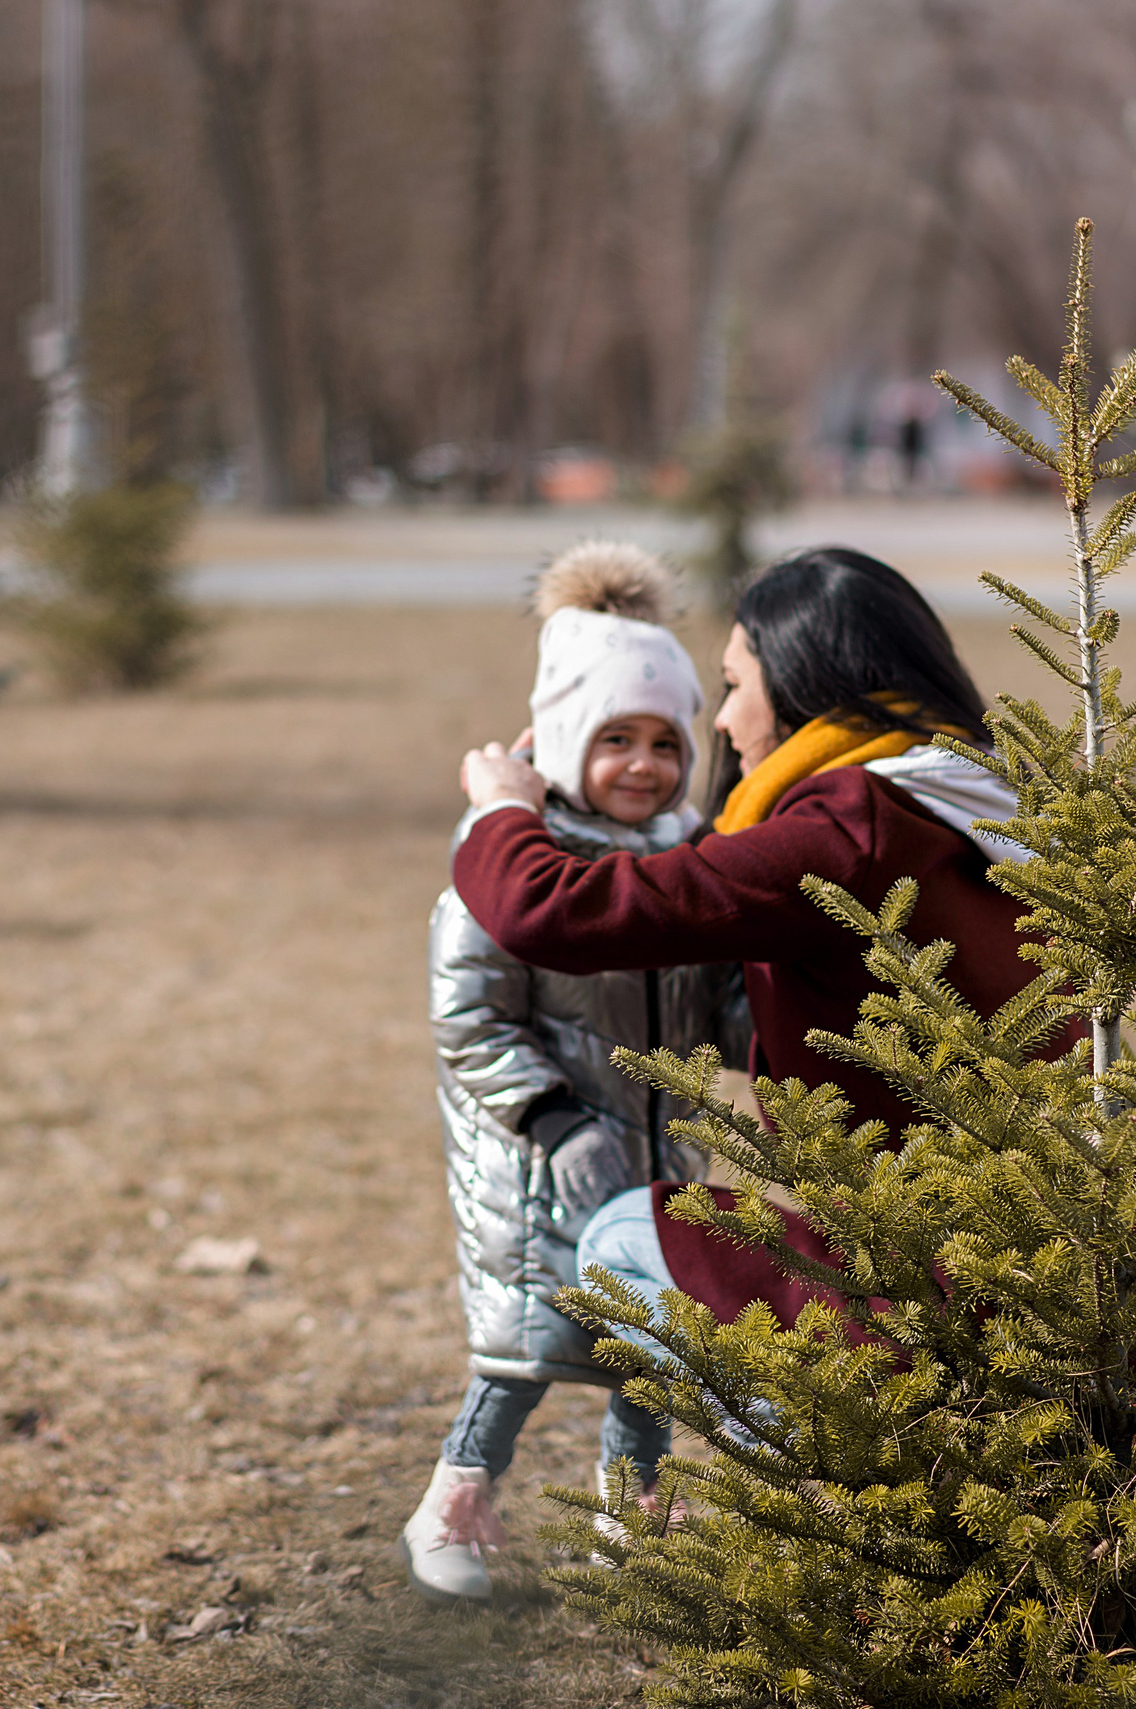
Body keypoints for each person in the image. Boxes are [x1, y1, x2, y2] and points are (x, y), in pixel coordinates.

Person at [452, 545, 1040, 1493]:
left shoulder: (848, 827)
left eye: (733, 684)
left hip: (926, 1284)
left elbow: (554, 909)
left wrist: (502, 813)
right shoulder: (968, 799)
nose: (721, 718)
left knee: (614, 1244)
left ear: (803, 684)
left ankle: (858, 1458)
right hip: (1034, 1269)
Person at [404, 541, 747, 1604]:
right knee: (525, 1341)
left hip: (658, 1149)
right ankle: (454, 1500)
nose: (643, 764)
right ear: (562, 737)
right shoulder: (509, 864)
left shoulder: (688, 860)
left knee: (652, 1334)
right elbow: (469, 1015)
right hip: (541, 1156)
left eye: (663, 742)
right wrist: (551, 1122)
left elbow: (720, 996)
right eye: (614, 740)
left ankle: (631, 1509)